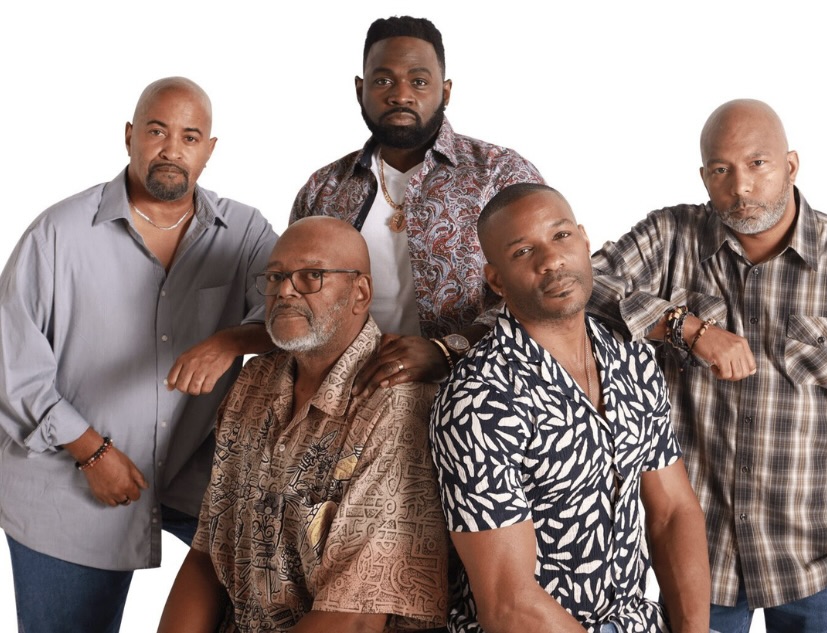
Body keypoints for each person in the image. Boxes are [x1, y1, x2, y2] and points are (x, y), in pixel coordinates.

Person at [589, 99, 827, 632]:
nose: (739, 186)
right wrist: (686, 327)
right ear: (704, 176)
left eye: (757, 164)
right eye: (721, 170)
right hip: (701, 555)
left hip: (822, 556)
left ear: (791, 165)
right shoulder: (669, 237)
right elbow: (574, 285)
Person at [0, 77, 277, 633]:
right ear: (130, 136)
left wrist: (233, 340)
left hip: (192, 473)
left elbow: (294, 313)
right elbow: (11, 366)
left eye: (190, 136)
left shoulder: (244, 231)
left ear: (210, 149)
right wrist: (91, 452)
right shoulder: (58, 234)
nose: (172, 149)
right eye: (157, 130)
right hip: (68, 484)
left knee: (262, 603)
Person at [429, 183, 710, 633]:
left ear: (583, 240)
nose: (551, 260)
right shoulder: (479, 401)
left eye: (560, 237)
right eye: (523, 251)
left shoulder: (632, 359)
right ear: (496, 279)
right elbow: (509, 604)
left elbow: (673, 510)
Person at [159, 216, 449, 632]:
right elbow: (208, 554)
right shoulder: (252, 383)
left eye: (312, 275)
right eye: (275, 277)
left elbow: (356, 618)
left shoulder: (398, 407)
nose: (285, 290)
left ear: (360, 292)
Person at [290, 15, 543, 394]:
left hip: (478, 402)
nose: (401, 94)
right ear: (360, 90)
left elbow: (544, 291)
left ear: (446, 91)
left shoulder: (500, 174)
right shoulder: (323, 190)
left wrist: (448, 350)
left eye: (419, 81)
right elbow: (295, 296)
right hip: (351, 404)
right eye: (383, 80)